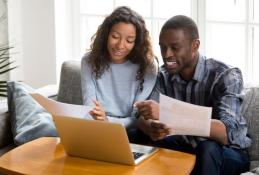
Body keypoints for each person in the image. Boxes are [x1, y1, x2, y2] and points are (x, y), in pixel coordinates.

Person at [134, 15, 251, 175]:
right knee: (140, 137)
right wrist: (152, 128)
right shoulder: (163, 75)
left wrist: (169, 114)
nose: (167, 54)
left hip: (227, 152)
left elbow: (225, 133)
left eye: (175, 48)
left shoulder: (226, 75)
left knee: (208, 148)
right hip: (186, 146)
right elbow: (141, 118)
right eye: (163, 47)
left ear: (195, 45)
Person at [81, 6, 158, 131]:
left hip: (130, 131)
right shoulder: (89, 60)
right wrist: (100, 120)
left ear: (137, 42)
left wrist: (108, 121)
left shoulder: (148, 66)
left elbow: (137, 119)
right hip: (96, 126)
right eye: (115, 37)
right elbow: (89, 108)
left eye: (129, 40)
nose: (120, 46)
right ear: (106, 35)